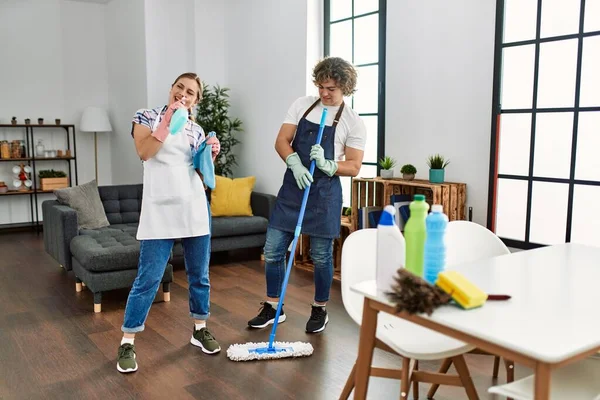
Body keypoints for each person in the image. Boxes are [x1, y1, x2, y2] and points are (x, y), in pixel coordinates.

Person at [248, 57, 366, 333]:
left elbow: (355, 166)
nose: (324, 93)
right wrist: (294, 162)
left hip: (324, 196)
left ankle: (319, 309)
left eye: (332, 89)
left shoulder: (353, 122)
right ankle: (273, 306)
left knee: (322, 255)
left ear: (345, 88)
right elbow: (281, 141)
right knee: (274, 249)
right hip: (293, 189)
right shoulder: (302, 105)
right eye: (322, 86)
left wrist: (328, 165)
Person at [116, 72, 222, 373]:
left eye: (190, 93)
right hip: (158, 210)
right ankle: (128, 341)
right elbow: (145, 152)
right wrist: (166, 124)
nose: (183, 95)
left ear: (196, 101)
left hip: (192, 207)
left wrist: (209, 153)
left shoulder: (195, 130)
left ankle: (200, 328)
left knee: (199, 275)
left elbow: (201, 174)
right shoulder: (146, 117)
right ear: (171, 88)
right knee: (148, 278)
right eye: (180, 88)